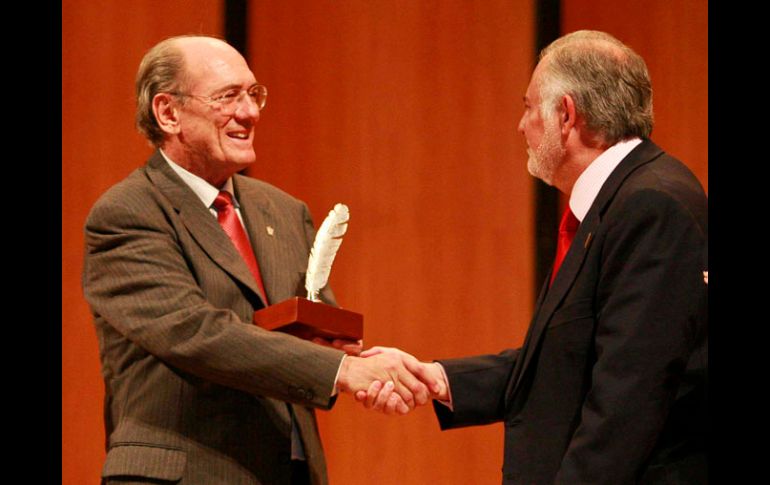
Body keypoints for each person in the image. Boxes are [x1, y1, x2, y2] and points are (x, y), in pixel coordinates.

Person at [357, 30, 708, 484]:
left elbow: (628, 397)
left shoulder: (650, 206)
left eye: (528, 107)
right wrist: (438, 379)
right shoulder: (622, 199)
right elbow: (569, 357)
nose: (521, 125)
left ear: (565, 114)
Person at [82, 35, 432, 485]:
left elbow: (315, 329)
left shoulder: (283, 211)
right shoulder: (129, 213)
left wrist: (355, 360)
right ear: (168, 112)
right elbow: (194, 333)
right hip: (185, 474)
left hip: (286, 472)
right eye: (227, 97)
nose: (249, 112)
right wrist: (345, 372)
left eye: (253, 94)